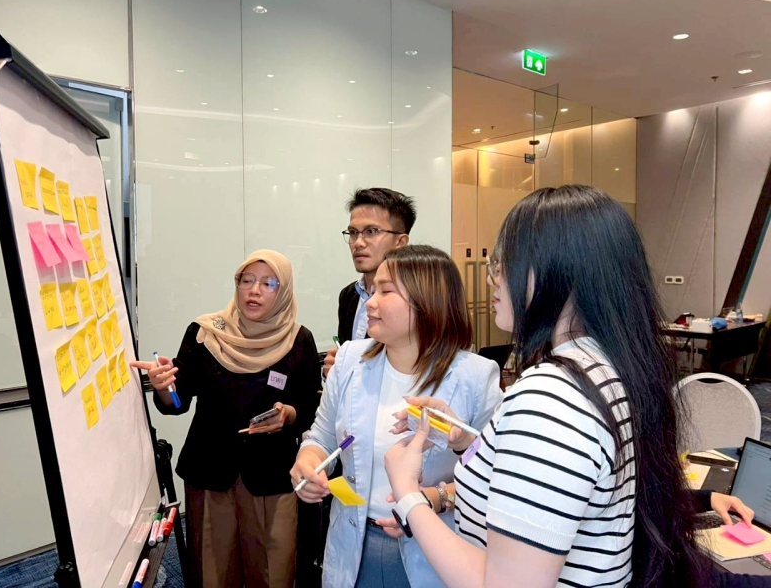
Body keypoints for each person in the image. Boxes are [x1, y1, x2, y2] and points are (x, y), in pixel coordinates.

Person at [384, 185, 713, 587]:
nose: (492, 278)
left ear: (555, 270)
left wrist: (408, 493)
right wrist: (468, 441)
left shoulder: (550, 397)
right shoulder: (604, 368)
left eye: (502, 263)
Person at [291, 245, 502, 588]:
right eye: (372, 290)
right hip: (353, 546)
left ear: (426, 302)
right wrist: (308, 461)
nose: (370, 302)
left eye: (385, 291)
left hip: (435, 554)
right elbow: (322, 437)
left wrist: (435, 498)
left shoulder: (475, 377)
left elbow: (494, 475)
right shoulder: (349, 361)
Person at [131, 250, 321, 588]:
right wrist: (164, 387)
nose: (254, 290)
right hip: (210, 470)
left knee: (273, 570)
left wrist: (288, 415)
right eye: (246, 280)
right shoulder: (206, 333)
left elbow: (310, 405)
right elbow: (177, 401)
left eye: (268, 283)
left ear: (284, 291)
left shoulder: (298, 339)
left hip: (272, 473)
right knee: (213, 573)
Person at [323, 187, 416, 376]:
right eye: (353, 232)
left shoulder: (415, 299)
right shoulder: (348, 295)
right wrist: (335, 371)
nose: (358, 242)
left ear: (400, 242)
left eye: (371, 231)